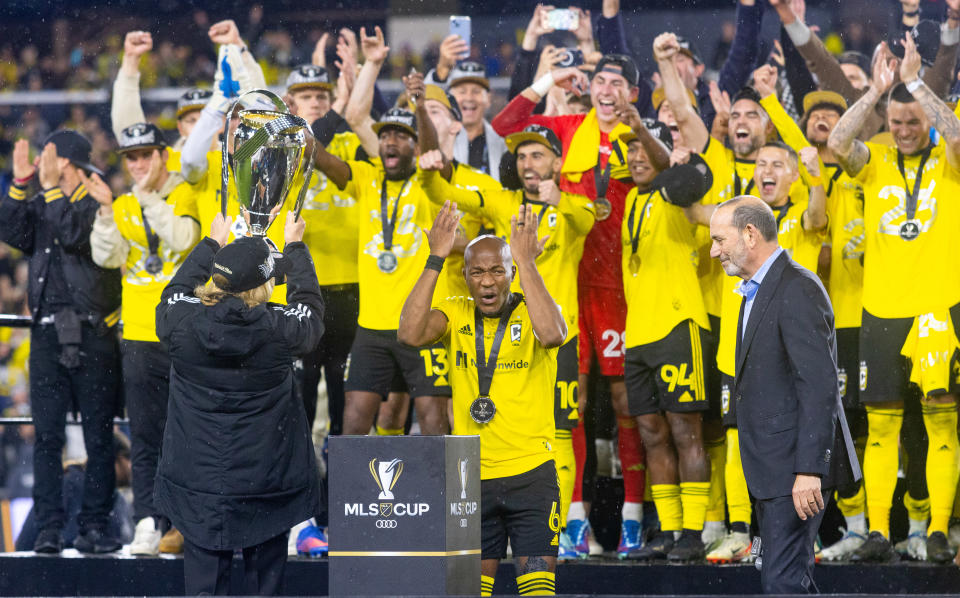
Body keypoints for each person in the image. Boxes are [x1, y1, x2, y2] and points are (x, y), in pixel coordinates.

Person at [492, 53, 668, 558]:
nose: (607, 88)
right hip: (567, 285)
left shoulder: (638, 133)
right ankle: (574, 521)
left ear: (633, 92)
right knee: (570, 409)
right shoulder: (568, 126)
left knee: (625, 405)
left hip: (618, 285)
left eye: (617, 81)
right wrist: (548, 78)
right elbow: (506, 125)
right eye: (599, 81)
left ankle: (633, 517)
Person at [418, 123, 596, 547]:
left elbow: (587, 220)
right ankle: (536, 521)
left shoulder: (575, 207)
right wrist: (428, 172)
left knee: (562, 428)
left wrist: (558, 198)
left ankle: (570, 522)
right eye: (521, 157)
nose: (528, 163)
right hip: (505, 329)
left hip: (554, 332)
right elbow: (443, 192)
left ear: (556, 161)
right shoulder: (503, 202)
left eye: (537, 155)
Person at [827, 34, 960, 564]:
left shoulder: (949, 159)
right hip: (880, 309)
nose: (903, 132)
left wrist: (919, 88)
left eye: (912, 123)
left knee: (941, 419)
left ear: (925, 118)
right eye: (896, 122)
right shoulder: (876, 159)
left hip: (937, 307)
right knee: (881, 424)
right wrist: (877, 92)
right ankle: (879, 532)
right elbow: (838, 145)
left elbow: (957, 133)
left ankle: (939, 531)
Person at [398, 202, 565, 597]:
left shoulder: (536, 309)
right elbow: (408, 333)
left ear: (510, 273)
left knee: (538, 592)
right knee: (467, 592)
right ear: (466, 276)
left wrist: (527, 263)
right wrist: (435, 257)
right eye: (477, 272)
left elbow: (553, 334)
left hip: (532, 475)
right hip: (468, 476)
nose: (488, 282)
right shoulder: (455, 314)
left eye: (497, 271)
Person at [154, 211, 323, 595]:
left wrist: (211, 243)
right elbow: (310, 310)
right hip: (267, 483)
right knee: (265, 589)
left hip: (197, 483)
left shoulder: (181, 322)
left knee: (205, 591)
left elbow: (174, 291)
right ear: (263, 286)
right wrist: (295, 249)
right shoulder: (280, 328)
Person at [708, 195, 859, 594]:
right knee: (787, 581)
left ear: (750, 234)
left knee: (783, 583)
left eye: (720, 240)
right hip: (774, 472)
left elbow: (820, 386)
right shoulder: (754, 290)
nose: (713, 251)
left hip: (795, 472)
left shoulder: (797, 288)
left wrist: (809, 470)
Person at [1, 132, 123, 554]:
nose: (42, 163)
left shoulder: (100, 200)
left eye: (49, 157)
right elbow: (12, 232)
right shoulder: (41, 201)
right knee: (48, 436)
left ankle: (94, 525)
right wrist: (18, 186)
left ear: (66, 163)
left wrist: (50, 189)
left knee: (99, 436)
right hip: (48, 334)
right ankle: (49, 528)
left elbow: (73, 234)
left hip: (93, 332)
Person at [88, 122, 200, 556]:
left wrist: (150, 200)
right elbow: (107, 255)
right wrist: (103, 213)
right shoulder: (122, 204)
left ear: (163, 157)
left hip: (184, 332)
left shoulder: (183, 195)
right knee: (147, 435)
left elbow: (183, 238)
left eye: (145, 155)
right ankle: (148, 522)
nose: (137, 165)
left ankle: (186, 522)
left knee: (188, 431)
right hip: (137, 333)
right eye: (131, 158)